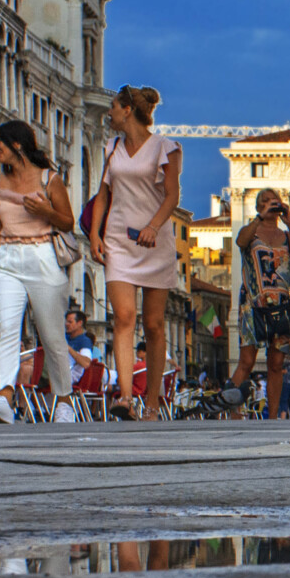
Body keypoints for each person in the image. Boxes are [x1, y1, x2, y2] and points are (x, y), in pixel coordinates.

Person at [0, 119, 79, 425]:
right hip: (7, 258)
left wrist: (46, 212)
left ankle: (63, 401)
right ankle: (5, 396)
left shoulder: (50, 179)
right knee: (6, 327)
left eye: (0, 143)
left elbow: (67, 222)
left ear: (17, 145)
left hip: (43, 256)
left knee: (51, 335)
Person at [100, 85, 184, 421]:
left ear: (127, 110)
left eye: (112, 107)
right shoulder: (111, 147)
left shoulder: (166, 147)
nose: (109, 113)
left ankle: (151, 402)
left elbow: (172, 195)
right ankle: (125, 397)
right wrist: (95, 233)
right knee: (123, 318)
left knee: (153, 326)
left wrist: (154, 226)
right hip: (119, 239)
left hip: (155, 242)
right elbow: (103, 194)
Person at [230, 189, 290, 420]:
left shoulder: (285, 234)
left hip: (281, 304)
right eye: (268, 203)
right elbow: (240, 242)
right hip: (253, 303)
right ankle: (233, 410)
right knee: (247, 361)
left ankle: (273, 414)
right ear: (260, 206)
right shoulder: (252, 230)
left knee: (277, 363)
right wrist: (260, 217)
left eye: (276, 203)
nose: (273, 207)